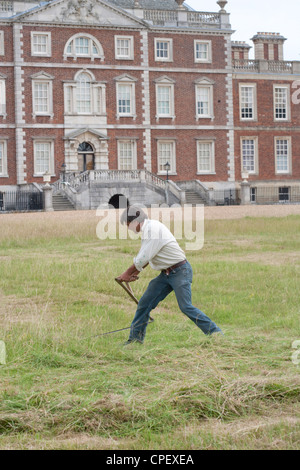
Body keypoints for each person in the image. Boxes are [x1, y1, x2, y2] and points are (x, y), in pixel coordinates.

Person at [117, 206, 223, 345]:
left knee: (185, 306)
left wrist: (127, 273)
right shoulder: (148, 230)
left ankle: (215, 333)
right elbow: (149, 256)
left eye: (128, 224)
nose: (128, 228)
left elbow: (144, 257)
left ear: (135, 221)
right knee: (144, 304)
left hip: (180, 271)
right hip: (165, 275)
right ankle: (135, 340)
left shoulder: (153, 229)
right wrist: (133, 273)